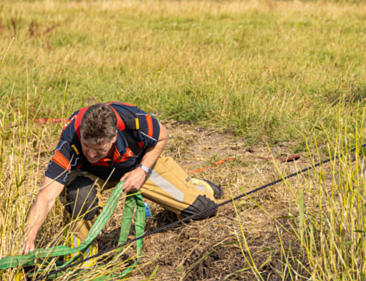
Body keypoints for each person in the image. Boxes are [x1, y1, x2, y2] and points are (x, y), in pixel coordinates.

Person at [20, 102, 222, 254]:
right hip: (93, 176)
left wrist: (142, 170)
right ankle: (81, 259)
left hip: (138, 166)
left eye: (99, 149)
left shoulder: (131, 120)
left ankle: (198, 186)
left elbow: (162, 136)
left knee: (203, 210)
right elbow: (46, 196)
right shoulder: (70, 140)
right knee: (79, 196)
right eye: (86, 148)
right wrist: (29, 237)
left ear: (114, 137)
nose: (91, 155)